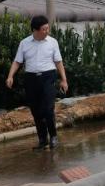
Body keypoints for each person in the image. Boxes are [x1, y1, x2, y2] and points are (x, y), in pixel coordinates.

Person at [6, 15, 68, 150]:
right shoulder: (24, 43)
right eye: (44, 29)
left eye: (47, 28)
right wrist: (10, 76)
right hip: (31, 79)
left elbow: (58, 62)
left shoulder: (52, 42)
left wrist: (64, 80)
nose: (47, 31)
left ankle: (53, 136)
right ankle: (42, 140)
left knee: (48, 109)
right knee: (36, 110)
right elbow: (17, 61)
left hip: (48, 77)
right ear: (35, 30)